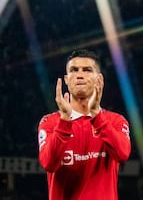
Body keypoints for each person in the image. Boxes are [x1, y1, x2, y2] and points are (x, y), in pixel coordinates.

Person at [37, 49, 131, 200]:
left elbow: (122, 154)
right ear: (66, 80)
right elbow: (49, 163)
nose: (80, 75)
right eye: (74, 70)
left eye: (87, 70)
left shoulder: (115, 121)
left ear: (99, 79)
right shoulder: (50, 123)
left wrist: (96, 116)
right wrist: (65, 120)